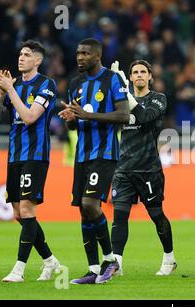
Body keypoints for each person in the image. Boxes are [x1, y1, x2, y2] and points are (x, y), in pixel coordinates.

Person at [58, 38, 130, 284]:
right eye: (78, 52)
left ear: (97, 56)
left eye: (85, 53)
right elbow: (76, 123)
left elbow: (124, 115)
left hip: (105, 153)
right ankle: (93, 269)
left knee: (91, 204)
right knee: (82, 210)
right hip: (82, 155)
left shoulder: (112, 80)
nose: (79, 56)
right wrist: (69, 118)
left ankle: (110, 260)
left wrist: (88, 114)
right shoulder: (75, 82)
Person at [0, 40, 61, 282]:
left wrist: (10, 90)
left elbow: (30, 117)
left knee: (28, 209)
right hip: (15, 156)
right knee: (19, 213)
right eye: (20, 54)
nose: (21, 58)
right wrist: (1, 95)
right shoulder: (15, 85)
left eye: (27, 55)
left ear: (38, 60)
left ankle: (18, 269)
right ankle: (50, 261)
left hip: (35, 155)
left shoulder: (47, 84)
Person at [109, 60, 177, 276]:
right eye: (134, 72)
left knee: (156, 215)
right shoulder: (119, 101)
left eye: (143, 72)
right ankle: (116, 264)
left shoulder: (158, 99)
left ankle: (169, 258)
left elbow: (145, 117)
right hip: (123, 168)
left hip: (148, 168)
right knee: (119, 216)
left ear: (150, 77)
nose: (139, 75)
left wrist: (123, 91)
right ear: (130, 78)